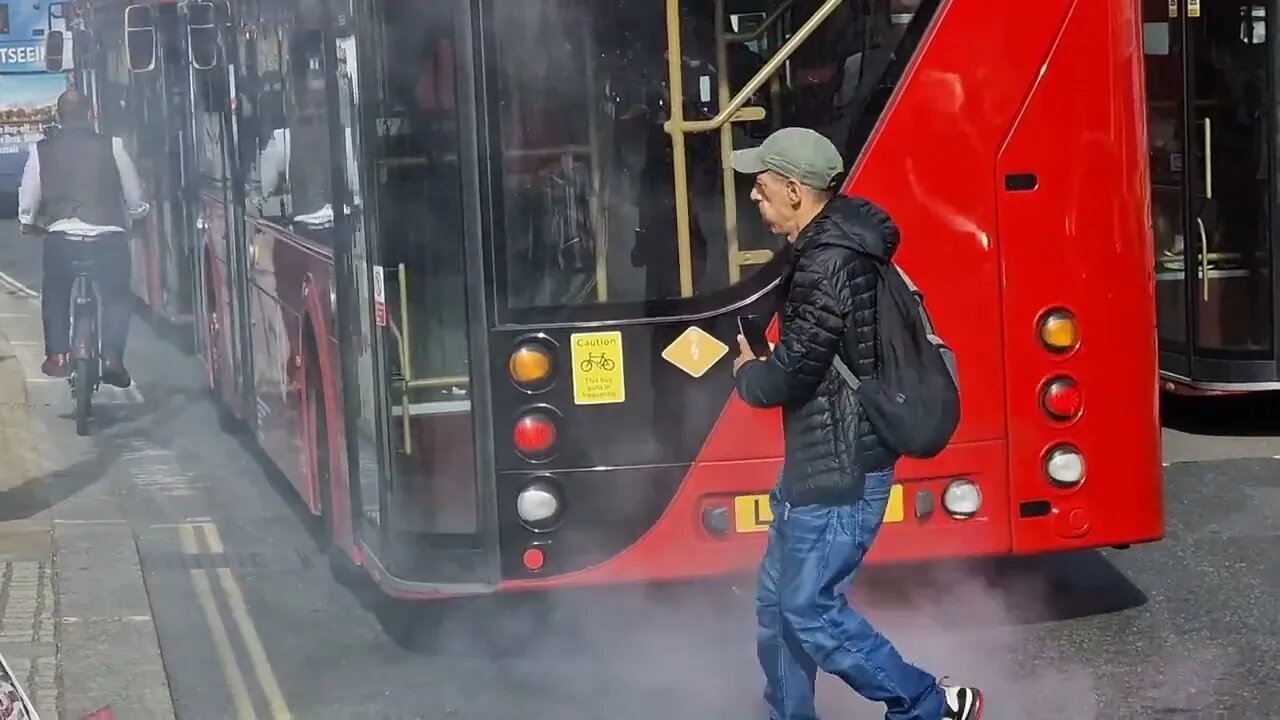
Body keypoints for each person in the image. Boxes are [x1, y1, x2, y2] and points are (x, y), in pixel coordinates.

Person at [730, 127, 983, 720]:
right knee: (778, 606)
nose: (754, 198)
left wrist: (747, 372)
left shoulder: (828, 263)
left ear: (795, 190)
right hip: (818, 463)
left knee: (808, 608)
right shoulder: (833, 247)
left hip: (840, 469)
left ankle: (928, 705)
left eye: (762, 188)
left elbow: (791, 374)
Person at [17, 89, 148, 388]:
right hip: (108, 238)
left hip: (62, 238)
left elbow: (29, 198)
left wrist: (27, 222)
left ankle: (58, 356)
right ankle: (113, 359)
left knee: (55, 294)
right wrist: (138, 215)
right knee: (116, 297)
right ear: (90, 114)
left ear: (58, 116)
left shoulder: (42, 151)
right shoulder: (112, 146)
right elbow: (134, 195)